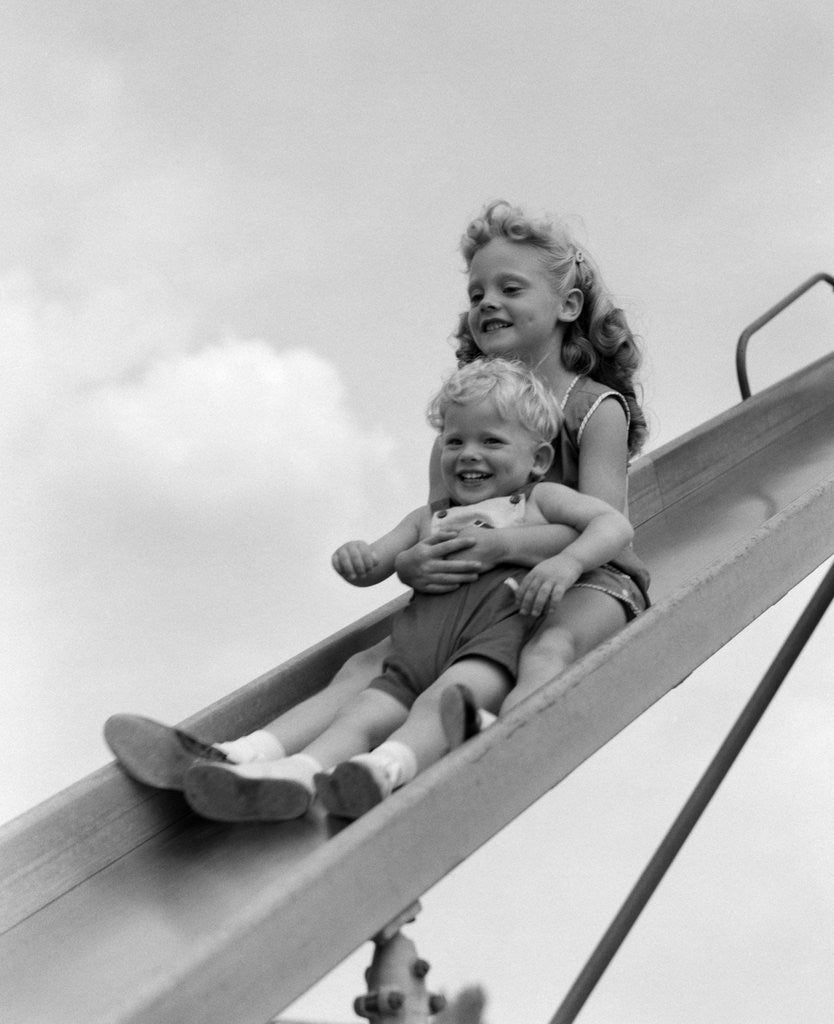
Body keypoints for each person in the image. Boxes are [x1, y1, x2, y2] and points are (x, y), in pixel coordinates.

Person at [104, 199, 649, 795]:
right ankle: (243, 759)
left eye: (509, 287)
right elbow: (439, 521)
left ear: (568, 305)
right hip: (482, 590)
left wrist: (499, 550)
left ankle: (501, 739)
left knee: (551, 647)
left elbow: (603, 530)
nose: (487, 302)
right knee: (365, 667)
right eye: (476, 294)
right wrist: (411, 562)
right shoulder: (465, 419)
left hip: (586, 577)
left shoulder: (595, 408)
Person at [180, 359, 634, 820]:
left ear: (538, 460)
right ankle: (277, 767)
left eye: (491, 441)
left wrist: (568, 562)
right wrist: (358, 557)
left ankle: (383, 771)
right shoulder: (429, 515)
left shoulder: (538, 502)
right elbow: (379, 562)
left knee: (441, 704)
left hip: (485, 648)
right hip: (413, 653)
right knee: (357, 715)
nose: (468, 453)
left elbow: (612, 524)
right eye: (454, 441)